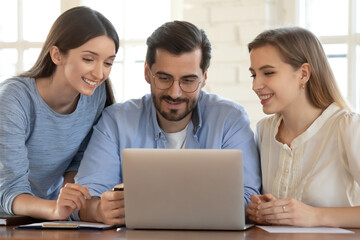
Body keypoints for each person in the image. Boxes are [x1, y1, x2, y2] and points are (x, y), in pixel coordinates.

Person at [74, 20, 261, 225]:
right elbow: (86, 199)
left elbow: (248, 200)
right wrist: (99, 210)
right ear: (147, 73)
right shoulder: (116, 121)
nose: (175, 92)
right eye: (164, 78)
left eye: (188, 81)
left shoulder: (229, 119)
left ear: (204, 78)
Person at [0, 6, 119, 221]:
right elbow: (9, 191)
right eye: (89, 59)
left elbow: (78, 163)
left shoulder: (95, 96)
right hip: (8, 220)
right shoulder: (14, 98)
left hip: (44, 220)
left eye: (108, 62)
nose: (100, 73)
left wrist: (73, 201)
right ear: (57, 55)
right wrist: (55, 209)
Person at [246, 26, 360, 228]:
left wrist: (316, 216)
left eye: (268, 73)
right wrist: (262, 210)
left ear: (303, 74)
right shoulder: (264, 130)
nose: (255, 85)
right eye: (253, 75)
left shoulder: (347, 127)